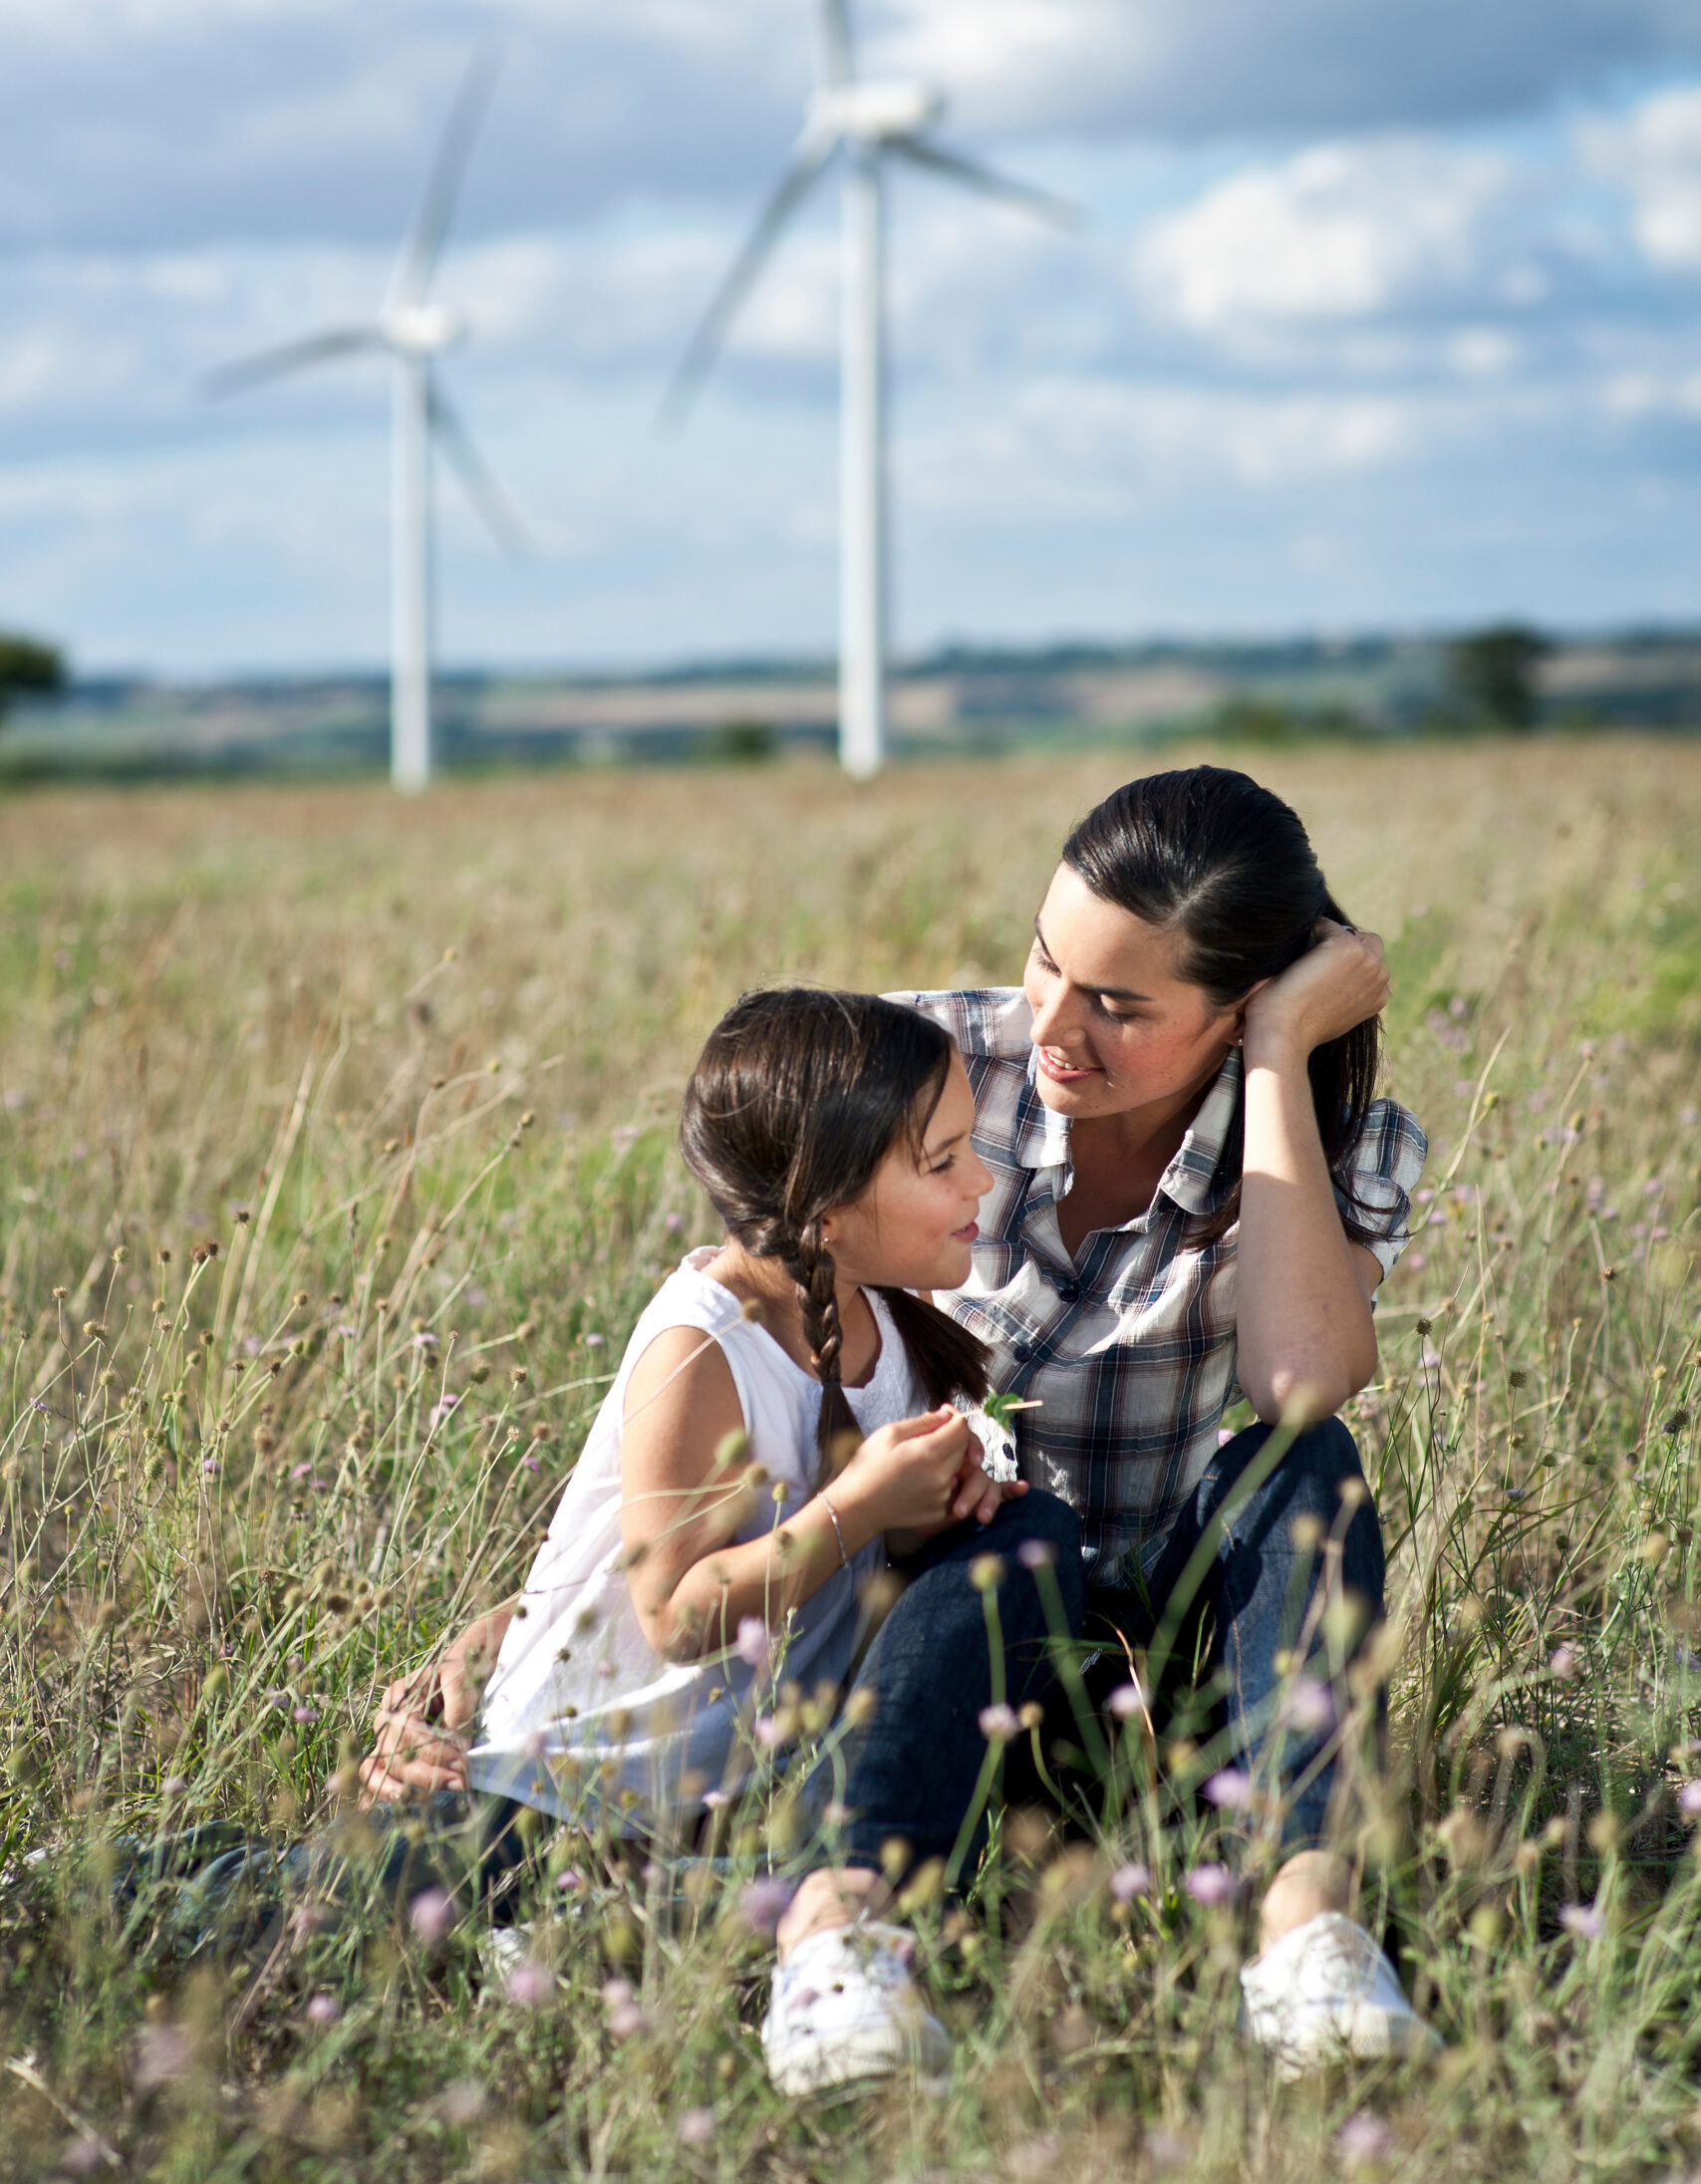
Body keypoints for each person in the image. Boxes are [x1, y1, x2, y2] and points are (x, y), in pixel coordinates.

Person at [765, 762, 1434, 2081]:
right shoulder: (917, 1075)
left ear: (1236, 1007)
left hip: (1193, 1692)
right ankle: (831, 1946)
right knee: (1011, 1536)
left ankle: (1305, 1933)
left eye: (1120, 1007)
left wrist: (1274, 1062)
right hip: (939, 1644)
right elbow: (726, 1361)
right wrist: (527, 1620)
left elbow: (1297, 1384)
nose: (1055, 1028)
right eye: (1043, 963)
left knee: (1301, 1462)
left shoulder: (1331, 1136)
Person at [360, 985, 1082, 2090]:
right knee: (274, 1906)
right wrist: (862, 1508)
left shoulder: (884, 1318)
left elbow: (859, 1559)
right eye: (941, 1161)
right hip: (560, 1801)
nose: (980, 1180)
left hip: (721, 1813)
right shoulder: (705, 1343)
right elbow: (679, 1613)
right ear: (826, 1208)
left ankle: (815, 1934)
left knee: (1028, 1533)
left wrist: (936, 1505)